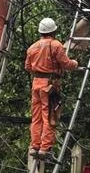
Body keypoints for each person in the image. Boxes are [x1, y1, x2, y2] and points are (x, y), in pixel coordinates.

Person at [25, 17, 79, 160]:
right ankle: (45, 148)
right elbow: (66, 63)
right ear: (54, 31)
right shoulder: (55, 45)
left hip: (36, 84)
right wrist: (75, 63)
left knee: (36, 118)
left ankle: (35, 146)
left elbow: (28, 67)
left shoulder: (32, 47)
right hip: (49, 85)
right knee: (49, 116)